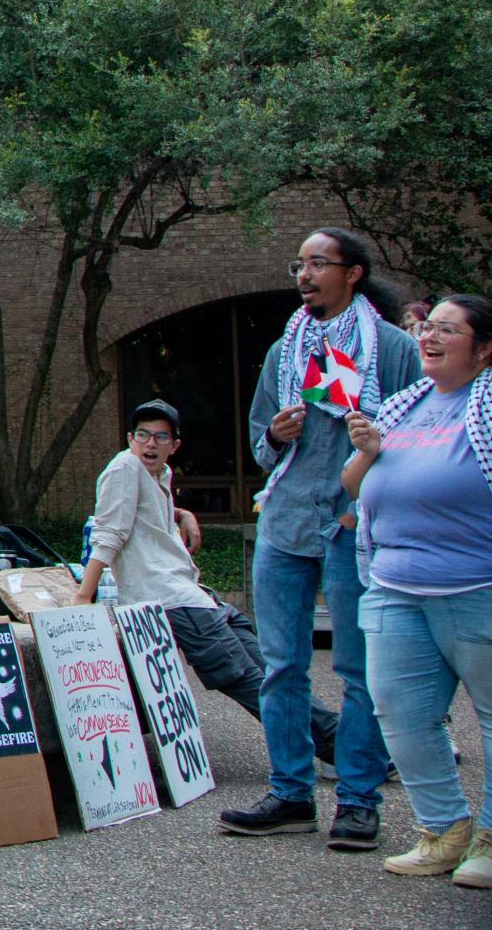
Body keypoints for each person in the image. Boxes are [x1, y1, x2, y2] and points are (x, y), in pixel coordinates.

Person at [219, 228, 417, 849]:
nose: (303, 275)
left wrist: (377, 466)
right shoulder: (287, 349)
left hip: (354, 525)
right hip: (284, 524)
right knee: (281, 666)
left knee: (360, 670)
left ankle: (358, 800)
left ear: (352, 273)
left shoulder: (389, 348)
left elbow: (418, 435)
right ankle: (291, 792)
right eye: (298, 265)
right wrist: (277, 435)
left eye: (318, 264)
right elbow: (258, 441)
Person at [77, 398, 340, 769]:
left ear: (175, 446)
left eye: (160, 437)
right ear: (129, 439)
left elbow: (145, 517)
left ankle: (344, 742)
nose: (150, 444)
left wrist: (183, 514)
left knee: (272, 673)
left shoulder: (159, 476)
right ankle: (341, 747)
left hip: (196, 596)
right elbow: (108, 534)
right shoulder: (124, 468)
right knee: (253, 681)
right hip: (171, 601)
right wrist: (81, 596)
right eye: (142, 435)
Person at [342, 293, 492, 888]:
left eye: (448, 331)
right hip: (393, 587)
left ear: (484, 349)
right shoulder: (404, 406)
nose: (428, 336)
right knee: (401, 716)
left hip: (477, 586)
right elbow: (355, 488)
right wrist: (367, 454)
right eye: (428, 327)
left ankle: (490, 841)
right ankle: (443, 832)